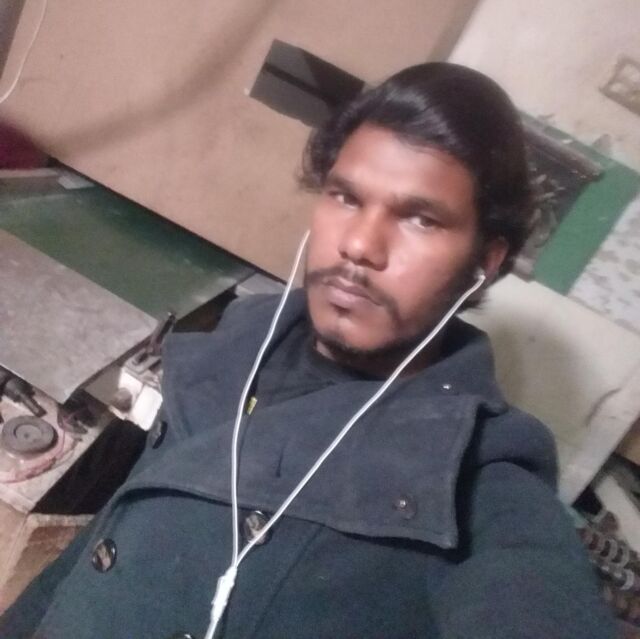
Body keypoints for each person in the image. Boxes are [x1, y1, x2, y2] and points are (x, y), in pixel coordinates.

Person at [0, 62, 616, 639]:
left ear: (485, 261)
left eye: (421, 219)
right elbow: (99, 548)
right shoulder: (234, 347)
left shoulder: (477, 483)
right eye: (346, 197)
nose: (360, 245)